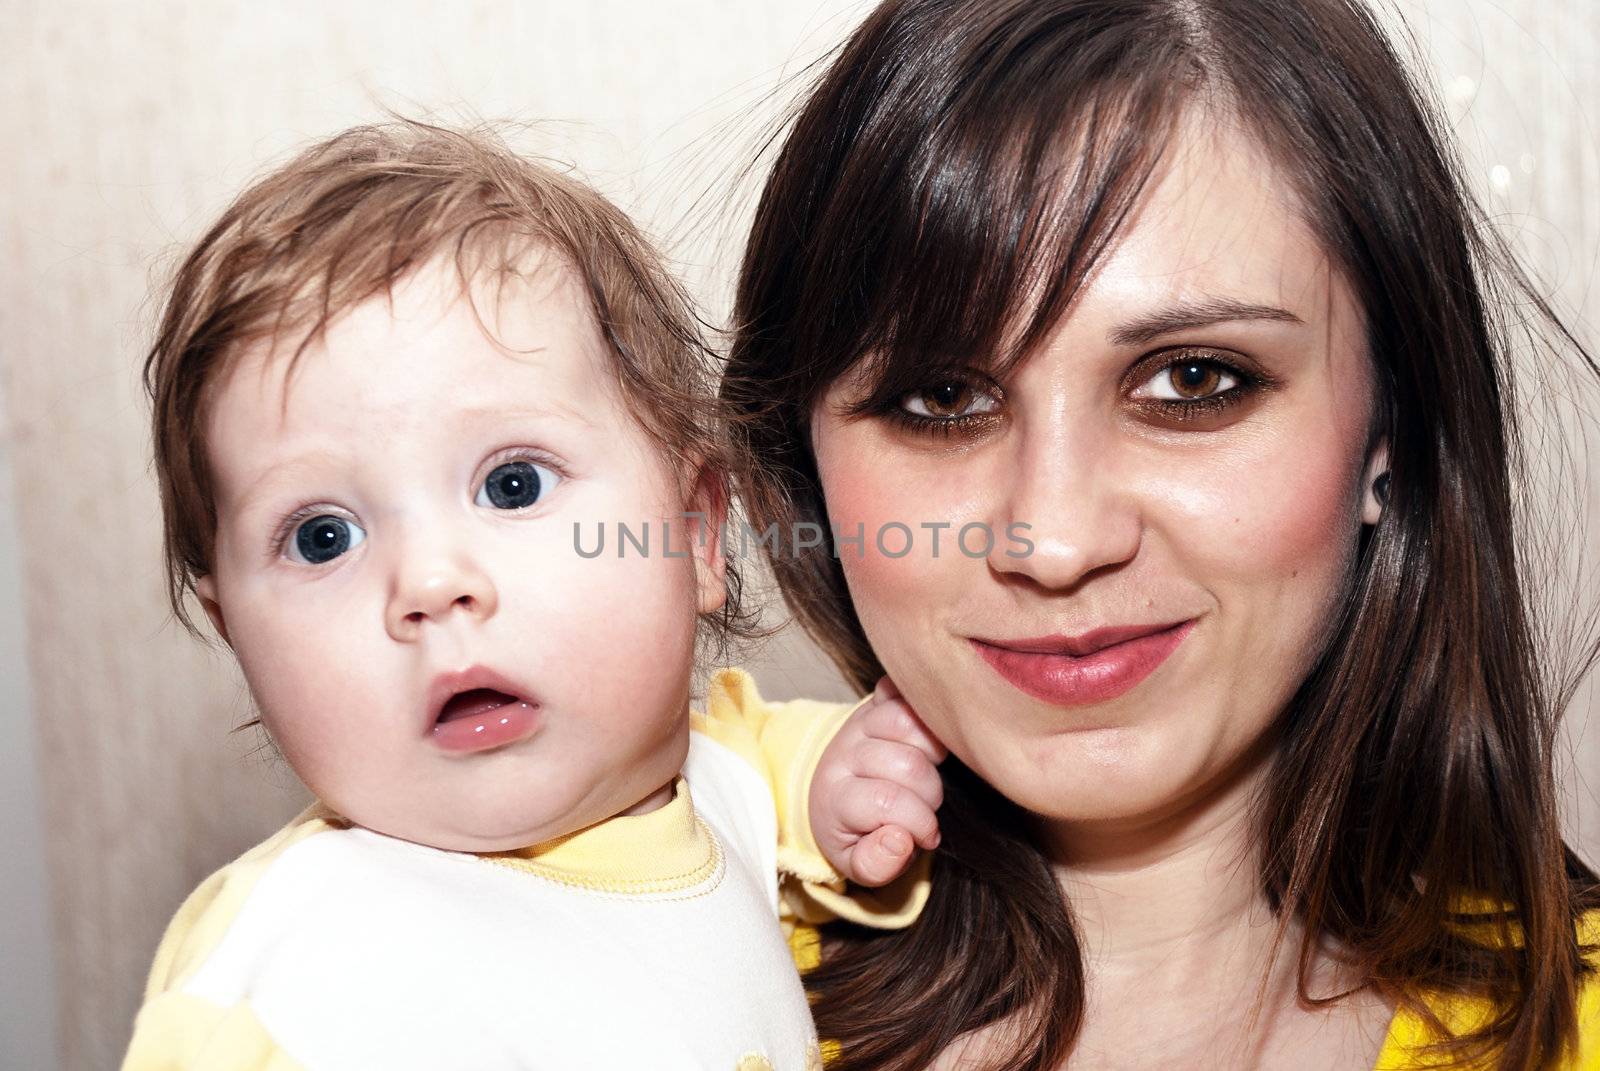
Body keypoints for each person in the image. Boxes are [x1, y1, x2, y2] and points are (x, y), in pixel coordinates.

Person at [721, 0, 1600, 1067]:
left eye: (1194, 380)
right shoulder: (609, 992)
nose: (1054, 540)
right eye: (943, 397)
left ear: (1389, 434)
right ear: (802, 462)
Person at [120, 120, 944, 1071]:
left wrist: (848, 777)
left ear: (696, 531)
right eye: (322, 537)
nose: (431, 584)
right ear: (237, 634)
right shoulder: (299, 970)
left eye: (512, 483)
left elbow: (762, 760)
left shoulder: (724, 784)